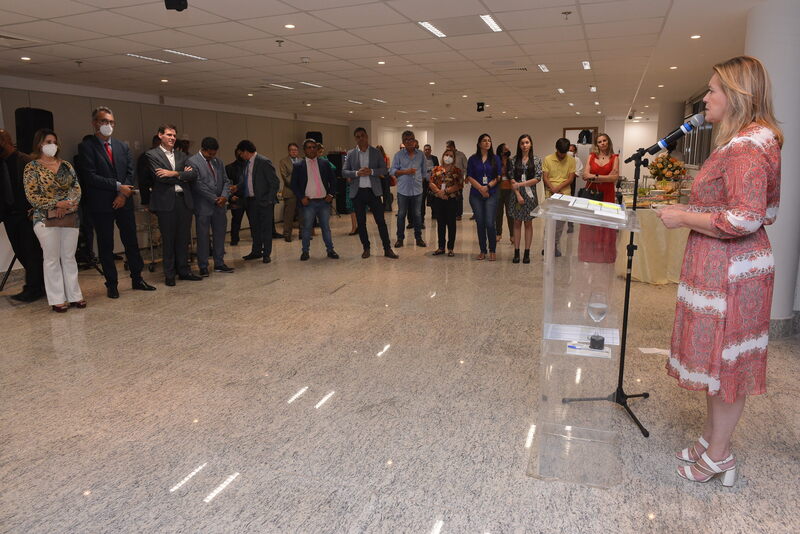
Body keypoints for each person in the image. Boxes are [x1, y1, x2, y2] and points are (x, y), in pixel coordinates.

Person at [655, 56, 782, 487]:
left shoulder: (747, 146)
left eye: (712, 90)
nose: (705, 98)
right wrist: (694, 211)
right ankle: (712, 440)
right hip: (725, 267)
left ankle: (719, 456)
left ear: (737, 95)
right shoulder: (745, 141)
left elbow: (747, 217)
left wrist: (683, 217)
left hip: (734, 273)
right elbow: (764, 211)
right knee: (716, 363)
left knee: (727, 367)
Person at [78, 106, 156, 298]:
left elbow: (130, 172)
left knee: (131, 242)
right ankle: (111, 284)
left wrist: (123, 194)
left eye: (112, 122)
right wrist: (117, 187)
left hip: (124, 202)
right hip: (101, 204)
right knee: (106, 246)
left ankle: (137, 278)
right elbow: (90, 176)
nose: (108, 125)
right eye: (104, 121)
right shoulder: (87, 147)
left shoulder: (122, 146)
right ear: (95, 123)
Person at [22, 129, 84, 312]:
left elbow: (76, 188)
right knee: (51, 259)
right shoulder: (32, 167)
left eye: (54, 142)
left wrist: (67, 205)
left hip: (69, 216)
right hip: (44, 218)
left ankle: (74, 295)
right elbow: (32, 196)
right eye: (48, 142)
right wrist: (56, 204)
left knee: (69, 257)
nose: (52, 145)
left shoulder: (66, 165)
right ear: (39, 144)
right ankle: (57, 299)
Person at [145, 124, 200, 285]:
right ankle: (169, 274)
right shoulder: (151, 154)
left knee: (183, 238)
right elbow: (160, 177)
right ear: (160, 135)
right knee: (168, 239)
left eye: (174, 135)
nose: (172, 138)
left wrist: (173, 173)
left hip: (184, 200)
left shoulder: (182, 155)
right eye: (169, 135)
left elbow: (193, 174)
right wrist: (182, 175)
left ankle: (184, 271)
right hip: (165, 202)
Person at [342, 127, 399, 259]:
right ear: (355, 139)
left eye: (362, 135)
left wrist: (372, 171)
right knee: (361, 223)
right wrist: (357, 173)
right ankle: (366, 248)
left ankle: (387, 249)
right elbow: (344, 172)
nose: (360, 138)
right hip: (358, 193)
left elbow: (384, 170)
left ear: (367, 136)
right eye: (357, 136)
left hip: (373, 192)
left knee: (381, 222)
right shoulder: (350, 154)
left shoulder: (376, 152)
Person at [0, 128, 43, 302]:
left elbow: (38, 188)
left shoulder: (25, 161)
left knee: (31, 252)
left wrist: (35, 210)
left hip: (27, 215)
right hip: (9, 217)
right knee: (20, 251)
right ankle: (39, 285)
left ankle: (33, 289)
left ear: (5, 141)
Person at [187, 137, 234, 276]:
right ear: (203, 149)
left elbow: (226, 181)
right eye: (210, 154)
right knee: (203, 237)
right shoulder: (192, 161)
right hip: (203, 205)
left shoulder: (218, 162)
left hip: (220, 206)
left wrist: (224, 196)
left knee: (220, 235)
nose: (212, 156)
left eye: (214, 154)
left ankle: (219, 263)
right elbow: (197, 184)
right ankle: (203, 265)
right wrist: (214, 199)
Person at [291, 139, 339, 261]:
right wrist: (301, 197)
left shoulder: (325, 163)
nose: (312, 149)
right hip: (308, 203)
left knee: (326, 228)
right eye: (309, 147)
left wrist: (331, 194)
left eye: (314, 147)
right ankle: (305, 252)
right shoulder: (298, 166)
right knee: (307, 228)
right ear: (304, 150)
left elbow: (333, 181)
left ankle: (330, 250)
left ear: (317, 149)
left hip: (324, 202)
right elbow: (294, 185)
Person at [236, 140, 280, 264]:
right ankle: (256, 251)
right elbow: (246, 180)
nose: (240, 156)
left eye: (241, 153)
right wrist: (237, 187)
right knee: (255, 228)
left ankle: (266, 254)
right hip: (251, 201)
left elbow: (275, 183)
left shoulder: (263, 161)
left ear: (246, 151)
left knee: (266, 229)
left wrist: (269, 199)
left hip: (264, 201)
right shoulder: (246, 163)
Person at [578, 133, 619, 263]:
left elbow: (614, 178)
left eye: (604, 140)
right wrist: (604, 177)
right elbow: (585, 175)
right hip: (591, 193)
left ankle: (604, 255)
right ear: (597, 144)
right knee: (590, 221)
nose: (602, 143)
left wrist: (594, 176)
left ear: (608, 141)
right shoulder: (591, 156)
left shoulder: (615, 157)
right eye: (599, 141)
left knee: (605, 222)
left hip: (607, 193)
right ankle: (589, 254)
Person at [466, 134, 501, 261]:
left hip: (492, 193)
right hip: (476, 194)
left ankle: (492, 250)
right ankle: (482, 250)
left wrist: (488, 187)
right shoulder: (472, 159)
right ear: (479, 143)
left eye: (489, 141)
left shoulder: (495, 158)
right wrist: (481, 188)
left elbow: (498, 176)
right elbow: (469, 176)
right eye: (484, 141)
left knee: (490, 223)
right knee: (480, 222)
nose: (487, 143)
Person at [507, 134, 542, 264]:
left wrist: (521, 184)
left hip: (530, 195)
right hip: (516, 195)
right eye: (522, 143)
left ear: (531, 144)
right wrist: (518, 194)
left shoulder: (537, 160)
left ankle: (527, 252)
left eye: (527, 142)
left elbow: (538, 178)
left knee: (528, 223)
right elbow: (511, 179)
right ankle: (516, 252)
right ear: (519, 145)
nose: (524, 145)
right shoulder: (513, 160)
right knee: (516, 222)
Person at [390, 130, 427, 248]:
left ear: (415, 141)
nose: (409, 142)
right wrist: (406, 172)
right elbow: (392, 171)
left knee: (417, 215)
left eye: (411, 139)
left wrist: (421, 181)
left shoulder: (421, 154)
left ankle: (419, 238)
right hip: (403, 191)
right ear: (403, 142)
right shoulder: (398, 155)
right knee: (401, 215)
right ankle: (400, 239)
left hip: (417, 190)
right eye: (406, 140)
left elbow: (424, 172)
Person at [541, 138, 576, 256]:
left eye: (564, 153)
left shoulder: (571, 160)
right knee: (550, 222)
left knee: (560, 223)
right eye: (560, 152)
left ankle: (554, 245)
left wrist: (559, 188)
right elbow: (545, 177)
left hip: (565, 194)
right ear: (556, 149)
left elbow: (570, 179)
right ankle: (546, 246)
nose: (562, 155)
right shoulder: (548, 159)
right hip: (550, 193)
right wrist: (553, 189)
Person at [429, 147, 463, 256]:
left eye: (451, 156)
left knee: (451, 224)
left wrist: (446, 191)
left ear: (454, 158)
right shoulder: (436, 169)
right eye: (446, 155)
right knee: (440, 224)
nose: (448, 157)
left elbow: (459, 185)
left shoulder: (457, 170)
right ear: (443, 156)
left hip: (451, 200)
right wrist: (439, 192)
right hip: (439, 200)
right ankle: (441, 247)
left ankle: (450, 248)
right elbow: (431, 183)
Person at [278, 143, 301, 242]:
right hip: (290, 191)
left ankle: (303, 233)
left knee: (302, 215)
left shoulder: (302, 161)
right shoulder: (283, 161)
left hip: (301, 192)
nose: (294, 152)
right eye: (292, 150)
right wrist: (296, 184)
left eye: (295, 150)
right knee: (289, 216)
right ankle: (287, 234)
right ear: (288, 151)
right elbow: (285, 177)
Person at [226, 148, 246, 246]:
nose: (240, 155)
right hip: (236, 198)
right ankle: (234, 239)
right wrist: (231, 196)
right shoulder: (229, 168)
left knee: (254, 220)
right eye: (239, 154)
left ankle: (256, 238)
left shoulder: (250, 166)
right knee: (236, 220)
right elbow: (227, 184)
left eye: (242, 153)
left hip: (249, 197)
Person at [495, 143, 514, 242]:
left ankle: (512, 235)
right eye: (506, 149)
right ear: (501, 151)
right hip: (498, 189)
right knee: (498, 213)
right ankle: (498, 233)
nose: (508, 151)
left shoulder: (511, 161)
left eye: (508, 149)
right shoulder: (495, 161)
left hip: (509, 189)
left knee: (510, 213)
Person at [446, 140, 468, 221]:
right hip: (449, 179)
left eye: (448, 147)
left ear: (452, 146)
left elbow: (466, 167)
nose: (447, 149)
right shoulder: (447, 155)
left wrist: (466, 177)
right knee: (449, 196)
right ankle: (451, 213)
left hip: (459, 179)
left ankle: (458, 214)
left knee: (458, 197)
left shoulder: (461, 155)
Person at [567, 143, 585, 234]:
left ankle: (570, 225)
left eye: (571, 151)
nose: (569, 152)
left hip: (571, 184)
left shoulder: (577, 160)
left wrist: (568, 174)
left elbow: (577, 174)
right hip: (560, 183)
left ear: (575, 152)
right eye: (568, 150)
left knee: (570, 204)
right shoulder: (562, 159)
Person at [420, 143, 438, 225]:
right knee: (422, 199)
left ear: (431, 150)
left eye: (428, 149)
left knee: (433, 198)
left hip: (432, 182)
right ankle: (421, 217)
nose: (427, 151)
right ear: (423, 150)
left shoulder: (434, 158)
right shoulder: (421, 159)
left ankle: (434, 214)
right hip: (423, 182)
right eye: (425, 149)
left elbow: (438, 169)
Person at [376, 144, 392, 211]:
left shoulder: (386, 157)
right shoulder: (375, 158)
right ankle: (378, 207)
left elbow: (388, 167)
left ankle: (387, 207)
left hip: (385, 177)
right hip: (378, 176)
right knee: (377, 192)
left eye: (379, 150)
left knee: (386, 192)